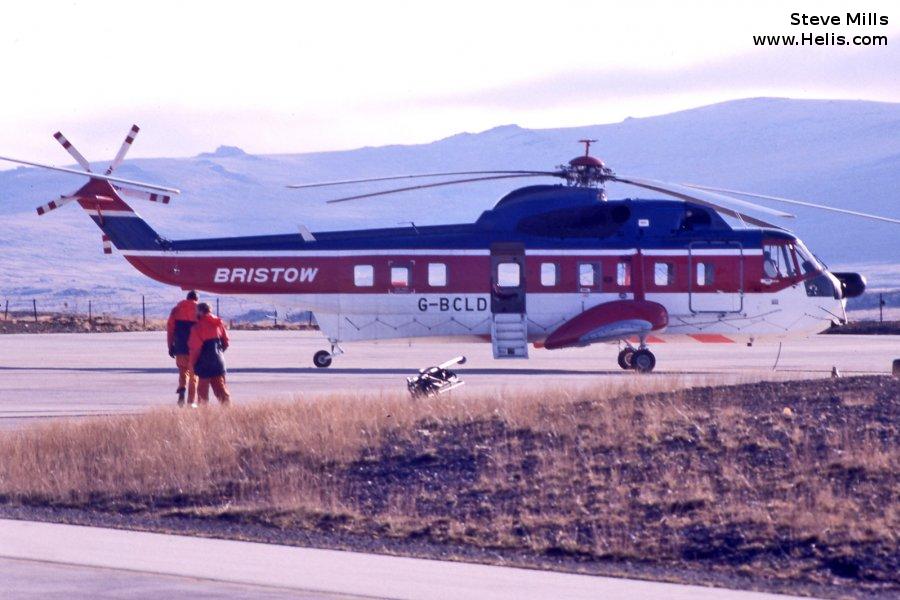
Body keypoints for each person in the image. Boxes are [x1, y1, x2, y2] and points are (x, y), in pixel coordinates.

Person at [188, 302, 231, 406]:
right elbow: (226, 342)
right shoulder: (218, 323)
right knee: (222, 393)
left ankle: (204, 417)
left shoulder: (197, 328)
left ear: (201, 311)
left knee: (202, 395)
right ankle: (229, 414)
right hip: (218, 361)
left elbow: (195, 349)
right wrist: (218, 353)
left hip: (204, 364)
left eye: (197, 311)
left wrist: (192, 364)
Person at [167, 290, 199, 406]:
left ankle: (182, 388)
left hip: (180, 347)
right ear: (196, 299)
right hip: (194, 349)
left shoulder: (176, 310)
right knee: (193, 376)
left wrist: (170, 346)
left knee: (182, 371)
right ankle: (191, 402)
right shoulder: (199, 310)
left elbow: (170, 329)